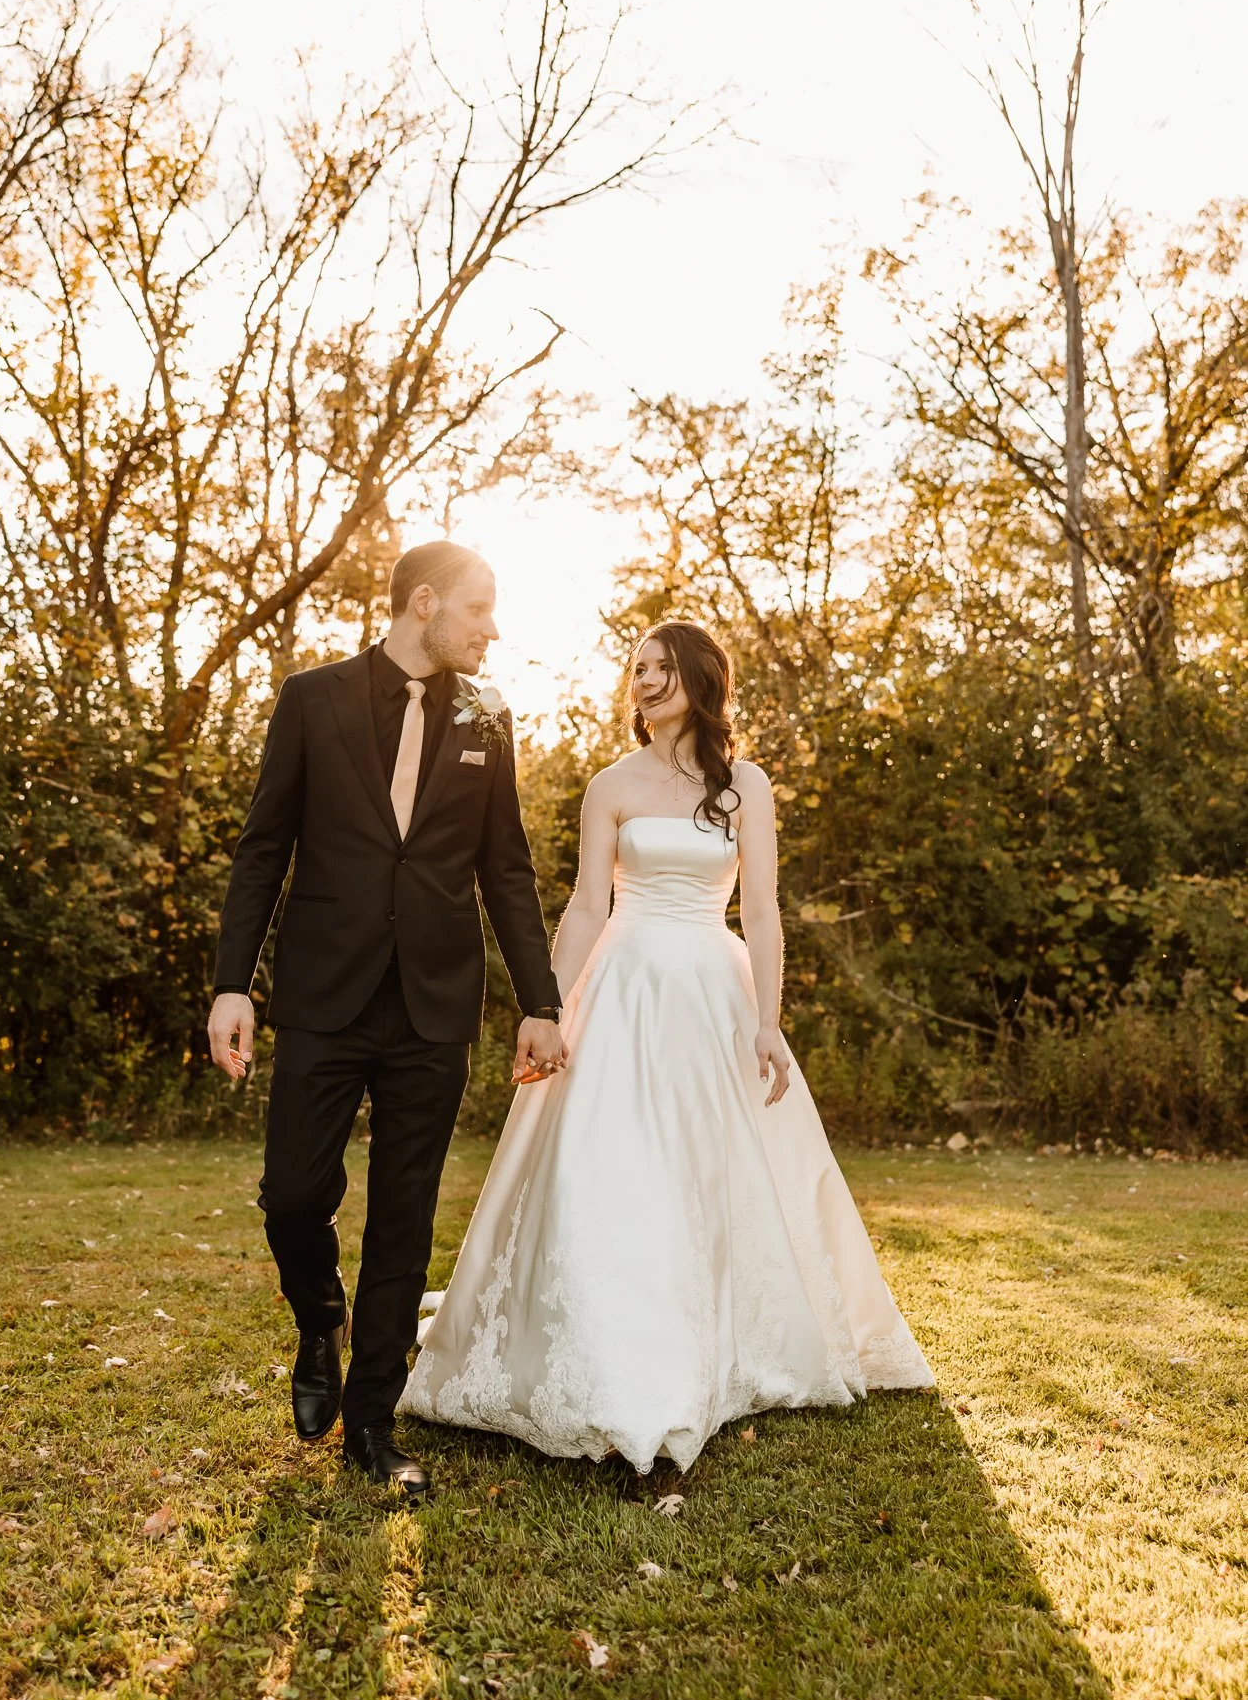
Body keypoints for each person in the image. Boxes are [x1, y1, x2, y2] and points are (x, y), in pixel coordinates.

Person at [402, 620, 934, 1471]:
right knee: (606, 1161)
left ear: (697, 678)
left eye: (659, 667)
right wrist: (547, 1006)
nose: (644, 680)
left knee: (708, 1166)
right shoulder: (609, 783)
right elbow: (584, 909)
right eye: (636, 668)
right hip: (619, 988)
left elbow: (759, 910)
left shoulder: (743, 786)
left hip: (710, 992)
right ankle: (607, 1344)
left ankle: (710, 1335)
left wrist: (767, 1018)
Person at [208, 542, 563, 1502]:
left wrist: (540, 1001)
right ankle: (315, 1318)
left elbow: (506, 868)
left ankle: (371, 1419)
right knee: (291, 1194)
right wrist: (231, 983)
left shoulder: (489, 716)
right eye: (479, 610)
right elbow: (263, 848)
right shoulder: (312, 700)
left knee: (403, 1218)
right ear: (423, 603)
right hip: (325, 993)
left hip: (432, 1006)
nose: (492, 629)